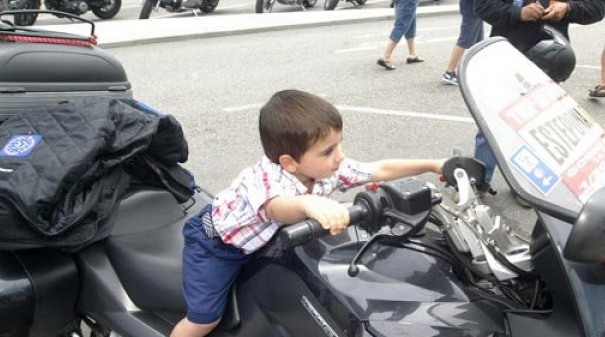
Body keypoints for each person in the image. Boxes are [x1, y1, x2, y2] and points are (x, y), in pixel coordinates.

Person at [170, 90, 445, 337]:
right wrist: (308, 205)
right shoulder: (262, 180)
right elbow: (277, 207)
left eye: (339, 144)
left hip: (266, 239)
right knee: (204, 319)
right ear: (289, 163)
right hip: (217, 245)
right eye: (328, 151)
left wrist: (433, 164)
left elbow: (380, 169)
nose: (339, 157)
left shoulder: (325, 170)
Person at [472, 0, 605, 181]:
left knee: (538, 128)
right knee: (492, 121)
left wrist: (568, 8)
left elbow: (598, 6)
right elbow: (481, 2)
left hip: (550, 59)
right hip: (505, 56)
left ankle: (526, 185)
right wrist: (517, 12)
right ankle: (480, 180)